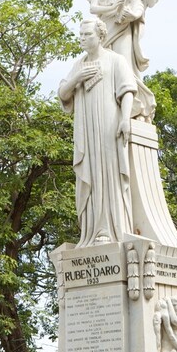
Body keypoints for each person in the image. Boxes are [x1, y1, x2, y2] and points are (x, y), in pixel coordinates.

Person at [59, 19, 137, 246]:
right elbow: (63, 93)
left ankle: (108, 228)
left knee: (108, 173)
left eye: (87, 35)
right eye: (81, 35)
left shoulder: (115, 60)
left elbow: (128, 91)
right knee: (91, 174)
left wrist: (125, 119)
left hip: (108, 126)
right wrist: (77, 79)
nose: (82, 38)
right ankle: (92, 230)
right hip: (86, 130)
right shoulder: (79, 64)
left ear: (100, 36)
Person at [86, 0, 156, 120]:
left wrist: (133, 14)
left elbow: (136, 3)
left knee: (125, 67)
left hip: (122, 28)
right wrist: (112, 7)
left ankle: (138, 108)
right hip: (104, 31)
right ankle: (115, 108)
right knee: (108, 70)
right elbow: (93, 8)